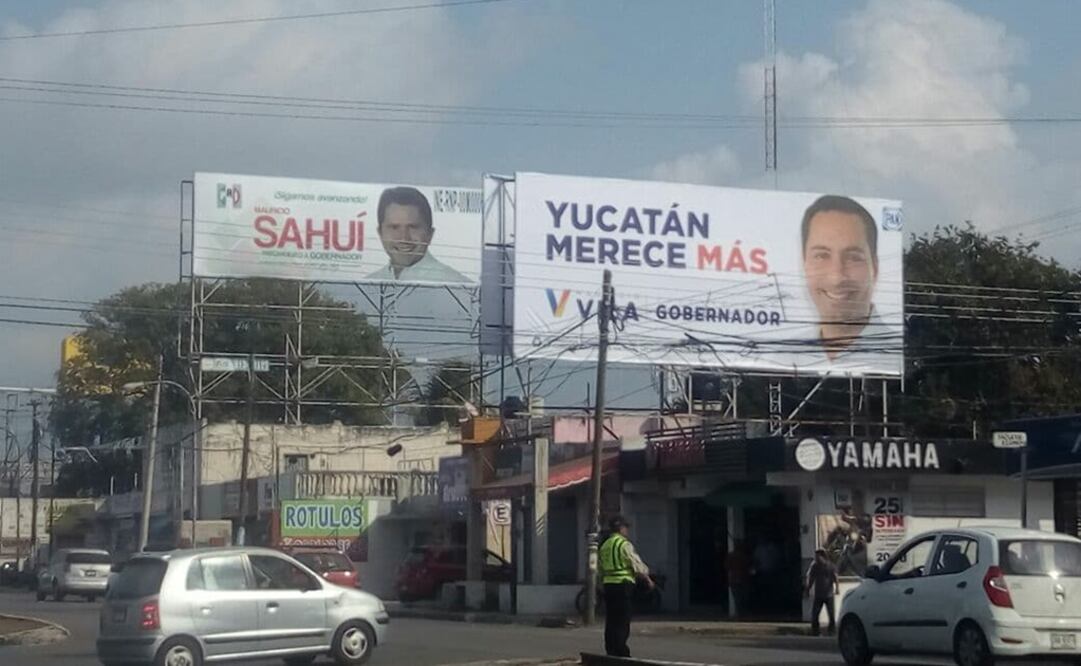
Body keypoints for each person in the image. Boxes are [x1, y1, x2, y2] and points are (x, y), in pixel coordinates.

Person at [800, 195, 886, 360]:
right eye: (821, 256)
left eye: (853, 258)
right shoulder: (779, 358)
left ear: (874, 268)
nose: (836, 277)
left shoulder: (904, 358)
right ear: (804, 264)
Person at [366, 186, 470, 283]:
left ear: (430, 234)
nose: (404, 238)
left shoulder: (459, 285)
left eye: (413, 227)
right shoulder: (366, 285)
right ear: (380, 233)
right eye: (394, 227)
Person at [598, 516, 653, 657]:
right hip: (623, 584)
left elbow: (600, 568)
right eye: (626, 527)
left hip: (608, 585)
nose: (627, 530)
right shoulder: (623, 544)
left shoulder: (604, 545)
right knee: (622, 620)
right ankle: (621, 651)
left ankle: (611, 649)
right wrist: (647, 578)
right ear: (621, 528)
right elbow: (636, 565)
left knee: (611, 619)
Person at [804, 548, 840, 636]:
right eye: (815, 557)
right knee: (815, 614)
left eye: (817, 557)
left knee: (831, 614)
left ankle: (831, 631)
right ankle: (815, 631)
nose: (816, 558)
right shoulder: (815, 567)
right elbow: (811, 579)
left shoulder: (830, 566)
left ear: (822, 556)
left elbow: (835, 577)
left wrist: (837, 588)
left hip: (829, 594)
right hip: (818, 594)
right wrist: (808, 589)